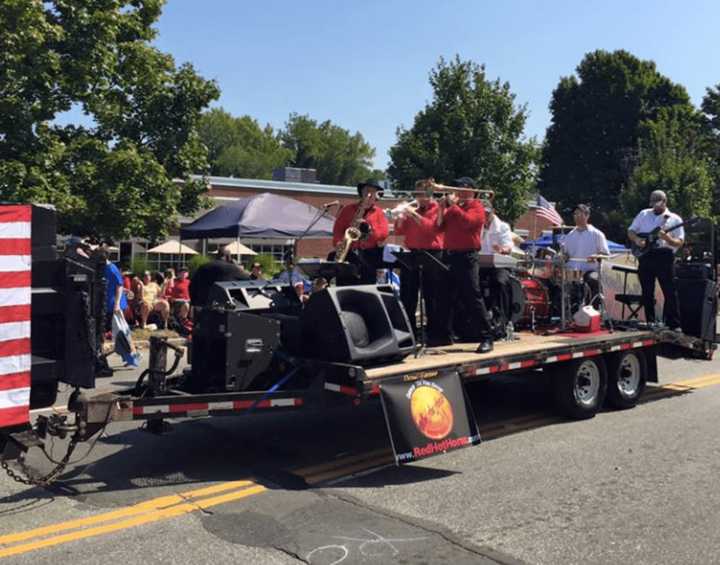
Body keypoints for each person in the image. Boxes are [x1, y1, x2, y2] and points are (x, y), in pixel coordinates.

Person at [436, 177, 494, 353]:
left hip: (467, 256)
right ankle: (445, 334)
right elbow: (438, 227)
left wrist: (452, 206)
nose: (459, 190)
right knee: (445, 296)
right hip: (449, 255)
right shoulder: (455, 208)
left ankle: (487, 337)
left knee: (472, 296)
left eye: (463, 187)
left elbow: (469, 223)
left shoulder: (477, 206)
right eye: (457, 187)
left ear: (472, 190)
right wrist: (441, 208)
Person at [393, 180, 444, 340]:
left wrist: (413, 214)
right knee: (407, 295)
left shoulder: (438, 209)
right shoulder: (414, 209)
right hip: (412, 253)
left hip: (432, 253)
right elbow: (399, 231)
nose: (421, 197)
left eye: (425, 194)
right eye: (419, 194)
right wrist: (401, 216)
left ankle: (434, 334)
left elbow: (431, 229)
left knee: (432, 296)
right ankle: (409, 333)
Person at [627, 190, 684, 329]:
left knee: (669, 290)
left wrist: (667, 238)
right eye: (652, 203)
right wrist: (637, 240)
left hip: (664, 255)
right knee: (647, 291)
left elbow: (680, 242)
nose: (653, 206)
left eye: (656, 203)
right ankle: (650, 321)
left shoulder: (675, 219)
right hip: (646, 255)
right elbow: (631, 231)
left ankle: (674, 324)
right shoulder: (643, 214)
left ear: (664, 202)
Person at [332, 180, 389, 284]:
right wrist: (338, 243)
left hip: (369, 256)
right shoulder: (347, 209)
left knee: (367, 288)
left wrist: (369, 229)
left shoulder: (379, 212)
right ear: (361, 193)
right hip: (348, 253)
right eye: (367, 191)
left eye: (373, 192)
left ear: (376, 196)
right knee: (345, 286)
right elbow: (338, 230)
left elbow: (384, 233)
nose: (369, 194)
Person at [561, 204, 610, 306]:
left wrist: (596, 256)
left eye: (579, 213)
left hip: (591, 270)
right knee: (565, 285)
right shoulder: (569, 236)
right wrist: (563, 256)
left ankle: (593, 310)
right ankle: (571, 312)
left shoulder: (597, 234)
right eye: (575, 214)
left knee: (593, 280)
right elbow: (565, 255)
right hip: (573, 272)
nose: (576, 216)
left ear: (587, 215)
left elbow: (605, 254)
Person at [479, 202, 515, 327]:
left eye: (488, 213)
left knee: (500, 282)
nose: (485, 215)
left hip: (499, 265)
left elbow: (508, 247)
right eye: (483, 213)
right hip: (480, 265)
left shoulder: (503, 227)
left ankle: (500, 320)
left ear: (493, 211)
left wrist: (502, 249)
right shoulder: (477, 226)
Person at [103, 248, 140, 367]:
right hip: (108, 304)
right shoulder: (102, 267)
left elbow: (119, 285)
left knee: (123, 332)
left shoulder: (111, 268)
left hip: (115, 305)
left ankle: (133, 357)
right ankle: (129, 356)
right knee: (118, 332)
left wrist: (117, 304)